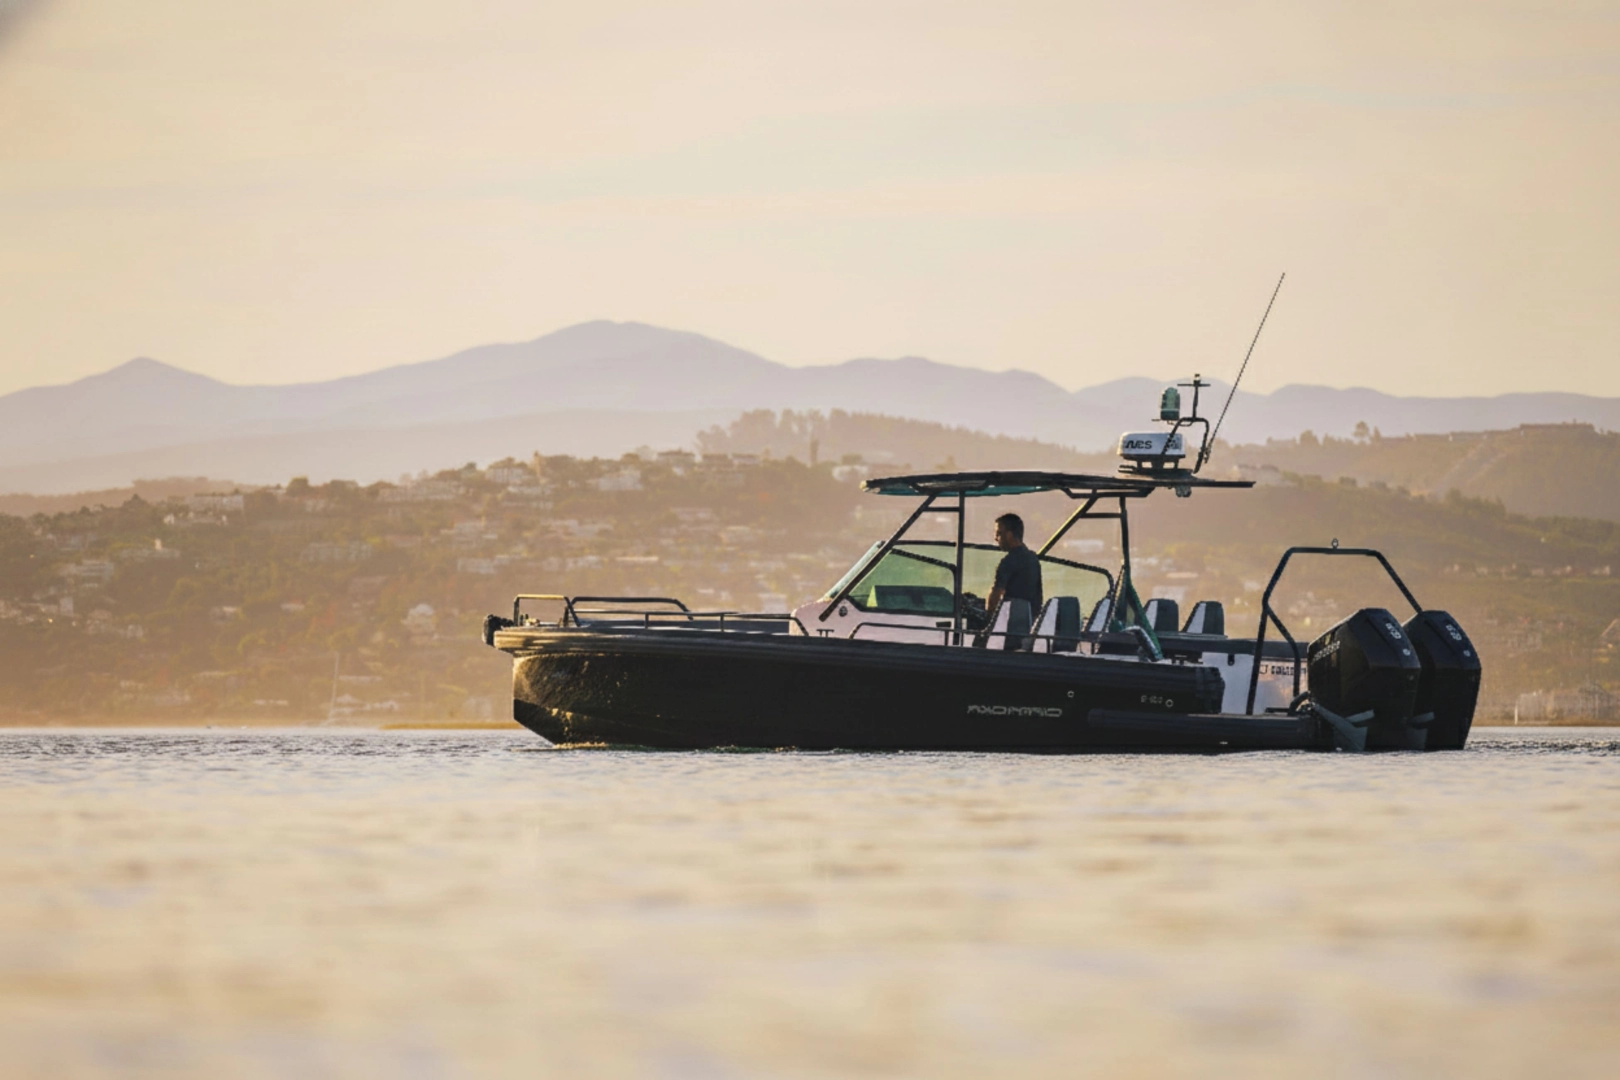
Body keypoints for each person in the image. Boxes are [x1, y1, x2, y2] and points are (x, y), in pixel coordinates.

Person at [985, 512, 1042, 649]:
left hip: (1008, 631)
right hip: (1028, 629)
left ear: (1009, 535)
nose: (996, 538)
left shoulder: (1008, 562)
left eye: (999, 534)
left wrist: (988, 619)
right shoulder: (1033, 559)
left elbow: (995, 596)